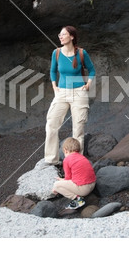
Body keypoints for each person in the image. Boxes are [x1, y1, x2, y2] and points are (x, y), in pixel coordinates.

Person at [44, 25, 95, 165]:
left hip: (79, 93)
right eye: (59, 35)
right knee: (51, 124)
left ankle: (75, 162)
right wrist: (54, 86)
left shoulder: (81, 53)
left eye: (63, 34)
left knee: (78, 129)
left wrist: (88, 84)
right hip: (61, 92)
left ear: (71, 37)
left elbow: (92, 70)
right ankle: (51, 160)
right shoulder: (57, 53)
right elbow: (53, 71)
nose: (60, 37)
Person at [52, 137, 96, 209]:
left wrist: (59, 185)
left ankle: (78, 199)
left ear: (65, 151)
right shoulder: (82, 157)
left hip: (84, 189)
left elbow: (68, 178)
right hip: (92, 184)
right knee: (60, 184)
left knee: (56, 185)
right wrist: (64, 181)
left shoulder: (67, 160)